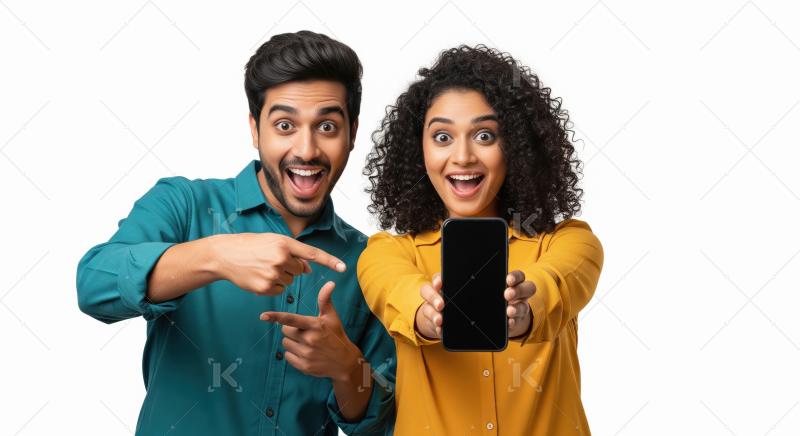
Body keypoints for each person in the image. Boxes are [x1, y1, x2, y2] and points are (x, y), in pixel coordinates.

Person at [76, 30, 395, 435]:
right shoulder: (183, 204)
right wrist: (215, 257)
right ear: (254, 128)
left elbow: (382, 420)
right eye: (284, 125)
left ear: (351, 134)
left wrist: (347, 368)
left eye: (327, 127)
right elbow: (93, 284)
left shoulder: (369, 260)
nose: (307, 149)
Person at [357, 45, 604, 434]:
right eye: (442, 137)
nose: (463, 156)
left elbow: (557, 284)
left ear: (517, 147)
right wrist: (428, 315)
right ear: (417, 149)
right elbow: (395, 292)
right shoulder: (385, 253)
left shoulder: (570, 242)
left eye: (485, 135)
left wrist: (525, 311)